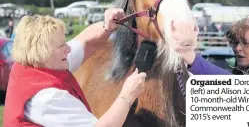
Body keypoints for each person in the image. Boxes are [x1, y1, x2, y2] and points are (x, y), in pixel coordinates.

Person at [4, 8, 147, 127]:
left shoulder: (31, 64)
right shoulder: (47, 98)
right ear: (42, 54)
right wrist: (127, 95)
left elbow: (85, 41)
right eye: (61, 46)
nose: (68, 49)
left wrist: (107, 26)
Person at [170, 16, 249, 75]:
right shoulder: (245, 72)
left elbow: (238, 89)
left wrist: (193, 58)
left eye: (246, 43)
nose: (237, 48)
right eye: (234, 43)